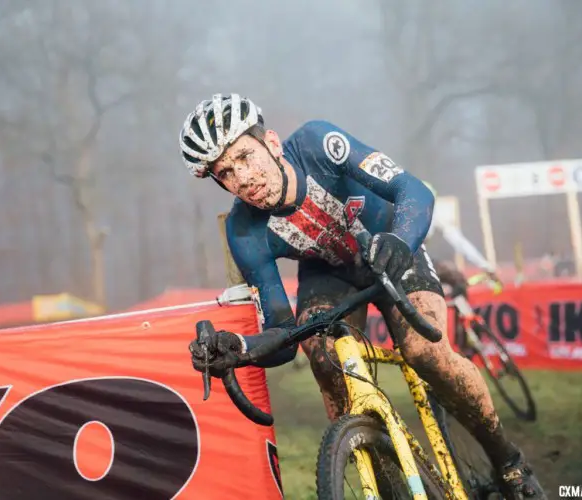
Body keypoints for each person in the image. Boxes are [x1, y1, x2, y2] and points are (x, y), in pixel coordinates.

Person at [182, 93, 544, 499]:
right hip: (328, 272)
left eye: (245, 157)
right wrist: (242, 348)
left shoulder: (319, 144)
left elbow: (414, 191)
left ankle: (508, 462)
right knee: (323, 356)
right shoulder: (244, 232)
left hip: (389, 244)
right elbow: (283, 335)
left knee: (425, 352)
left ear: (272, 142)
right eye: (226, 172)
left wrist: (400, 241)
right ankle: (382, 479)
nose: (243, 177)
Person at [419, 180, 501, 299]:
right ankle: (460, 315)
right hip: (410, 259)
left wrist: (485, 265)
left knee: (456, 279)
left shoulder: (432, 214)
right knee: (457, 280)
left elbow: (458, 242)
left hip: (407, 258)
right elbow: (458, 241)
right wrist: (486, 266)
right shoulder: (424, 213)